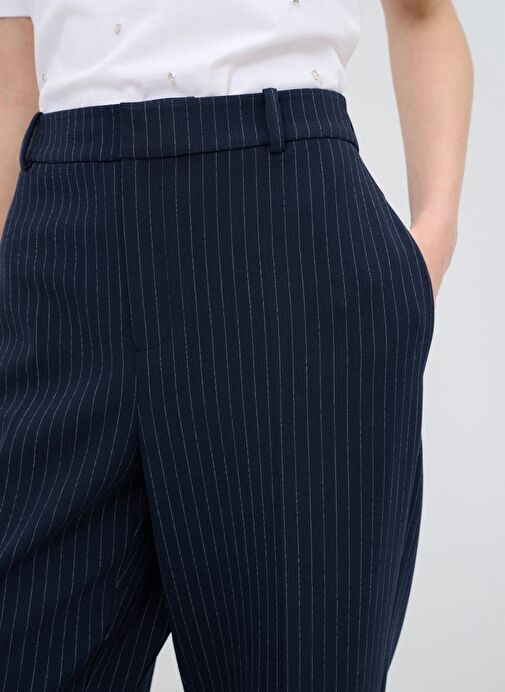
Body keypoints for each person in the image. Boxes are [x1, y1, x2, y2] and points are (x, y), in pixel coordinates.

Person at [0, 1, 472, 690]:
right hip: (59, 246)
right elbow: (15, 73)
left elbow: (423, 14)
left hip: (287, 240)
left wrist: (430, 241)